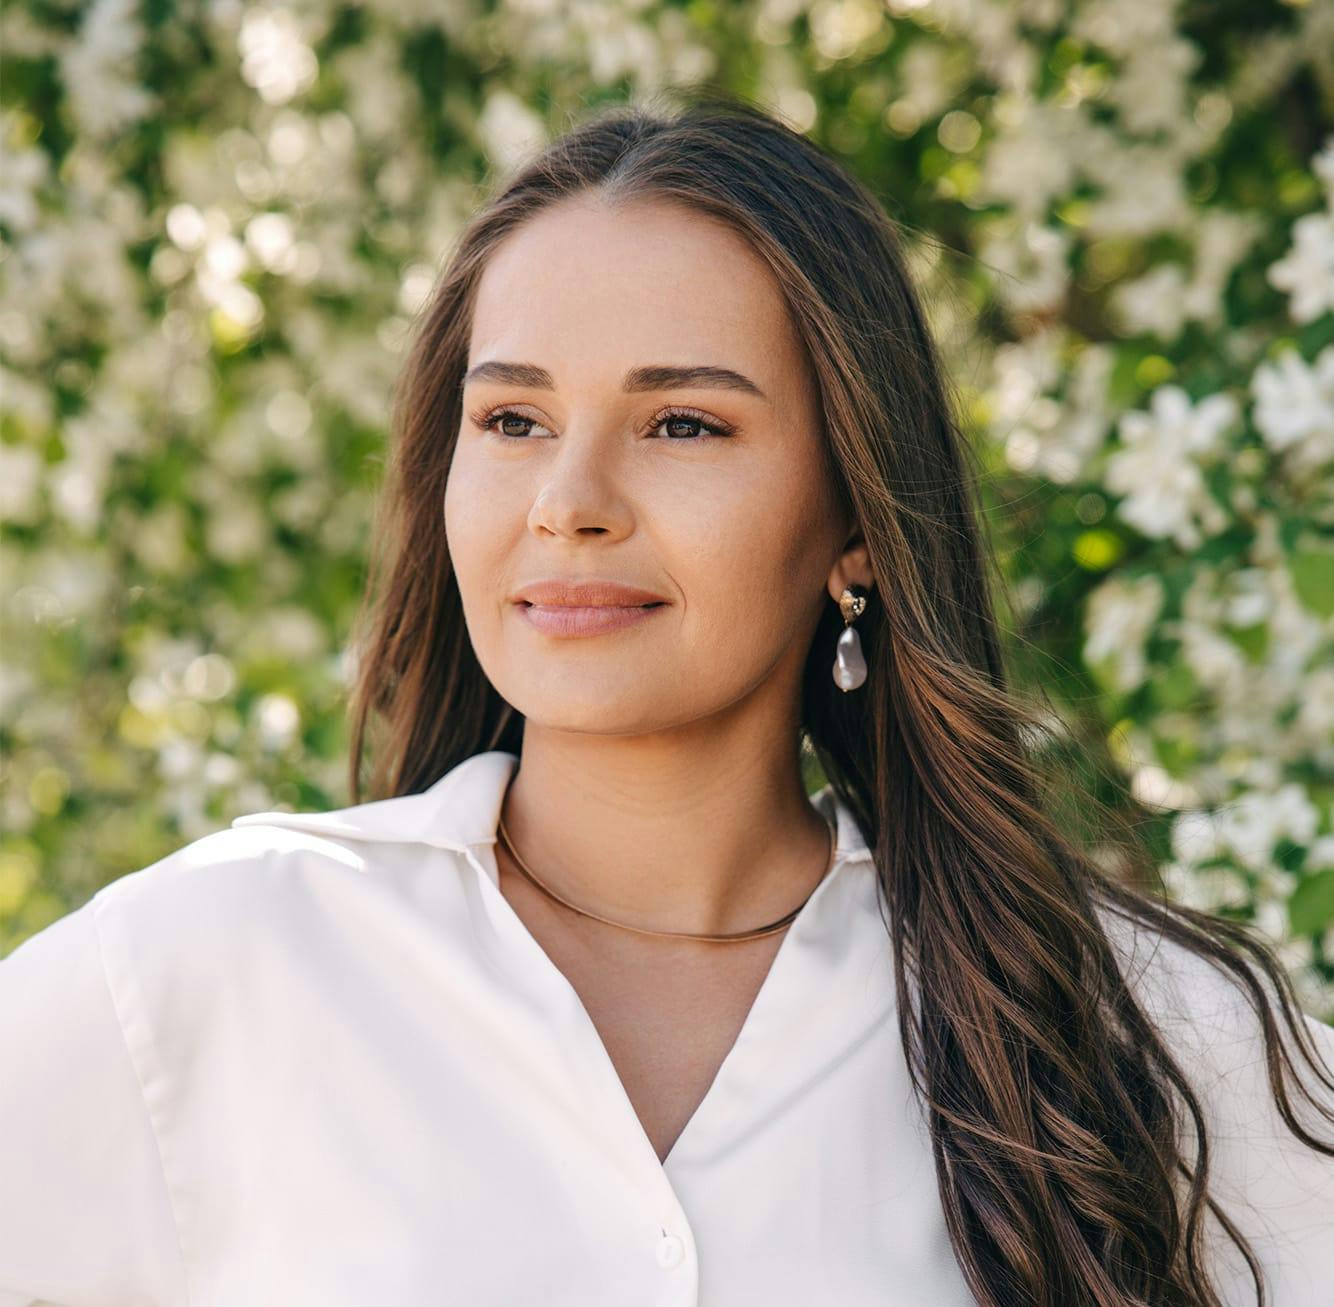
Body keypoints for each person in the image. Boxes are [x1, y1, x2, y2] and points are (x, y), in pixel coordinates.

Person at [2, 93, 1332, 1307]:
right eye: (512, 422)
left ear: (857, 518)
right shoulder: (214, 964)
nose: (567, 502)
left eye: (682, 425)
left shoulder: (1124, 1025)